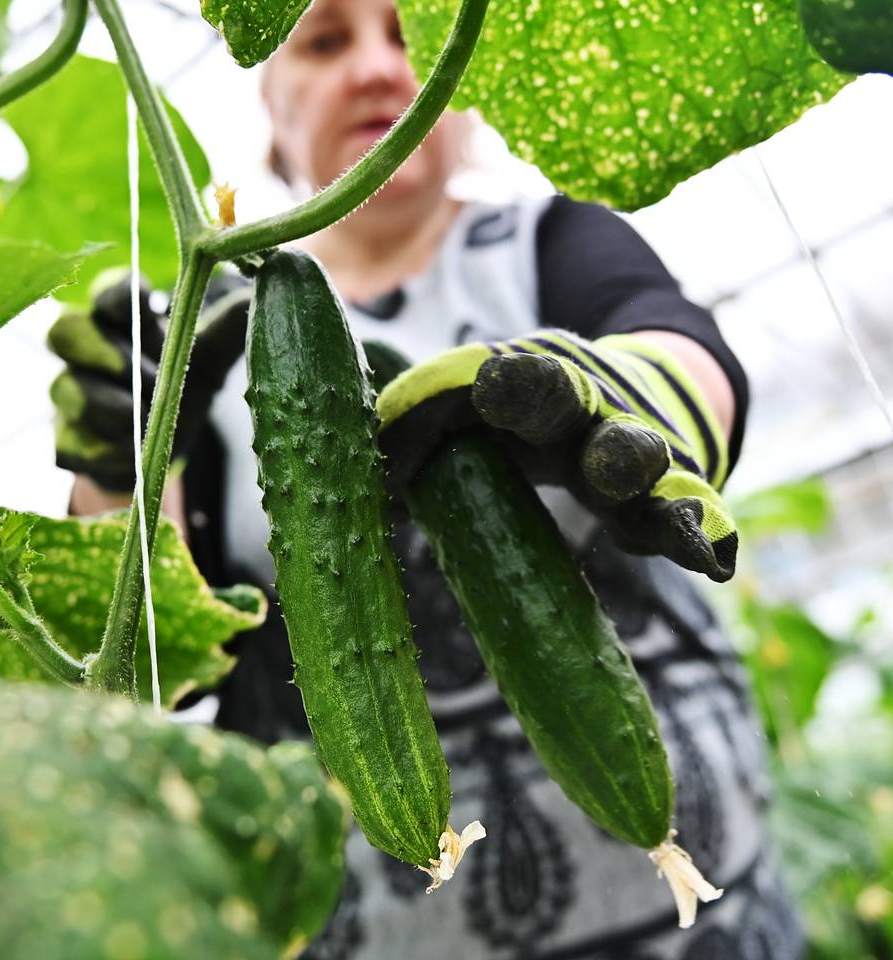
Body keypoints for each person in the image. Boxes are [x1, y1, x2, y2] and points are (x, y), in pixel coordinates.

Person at [54, 0, 803, 956]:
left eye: (411, 33)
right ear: (270, 101)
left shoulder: (549, 241)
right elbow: (155, 627)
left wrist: (633, 396)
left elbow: (682, 350)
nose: (375, 67)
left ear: (464, 96)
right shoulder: (213, 331)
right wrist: (115, 465)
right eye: (325, 40)